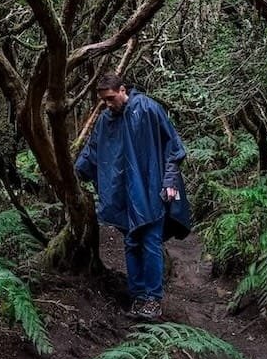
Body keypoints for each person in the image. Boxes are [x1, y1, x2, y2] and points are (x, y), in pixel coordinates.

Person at [75, 73, 191, 320]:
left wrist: (170, 179)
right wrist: (75, 171)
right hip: (122, 194)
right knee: (131, 243)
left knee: (150, 242)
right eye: (103, 100)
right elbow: (93, 151)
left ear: (122, 89)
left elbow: (173, 146)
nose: (107, 104)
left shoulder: (148, 109)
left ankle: (153, 298)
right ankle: (137, 295)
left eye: (110, 98)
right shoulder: (106, 120)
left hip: (150, 190)